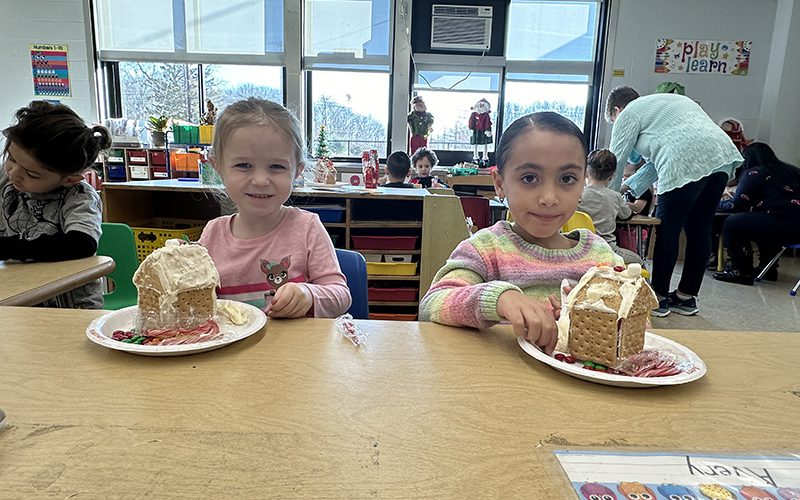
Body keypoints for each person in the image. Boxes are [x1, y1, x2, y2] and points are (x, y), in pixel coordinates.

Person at [419, 112, 623, 354]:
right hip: (498, 383)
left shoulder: (602, 258)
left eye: (567, 178)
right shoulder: (485, 249)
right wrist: (500, 298)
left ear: (583, 185)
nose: (549, 198)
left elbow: (637, 323)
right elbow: (433, 304)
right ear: (500, 184)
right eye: (529, 178)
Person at [198, 98, 351, 318]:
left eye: (276, 166)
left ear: (296, 171)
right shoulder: (211, 236)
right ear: (218, 168)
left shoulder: (307, 227)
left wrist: (308, 294)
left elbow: (341, 295)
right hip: (235, 351)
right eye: (243, 165)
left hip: (296, 350)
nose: (260, 180)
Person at [606, 86, 743, 317]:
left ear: (616, 110)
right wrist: (627, 189)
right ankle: (686, 297)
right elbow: (653, 165)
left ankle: (658, 297)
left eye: (612, 121)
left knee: (668, 231)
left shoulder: (628, 114)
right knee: (700, 231)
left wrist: (605, 198)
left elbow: (615, 161)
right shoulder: (665, 106)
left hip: (682, 159)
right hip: (721, 157)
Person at [0, 100, 111, 308]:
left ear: (69, 179)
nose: (14, 174)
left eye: (31, 173)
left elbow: (81, 244)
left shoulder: (79, 195)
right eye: (11, 159)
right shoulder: (5, 177)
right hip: (20, 297)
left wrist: (8, 248)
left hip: (72, 306)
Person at [713, 142, 800, 285]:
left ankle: (741, 270)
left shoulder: (755, 172)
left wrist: (714, 202)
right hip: (796, 229)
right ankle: (768, 269)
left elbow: (736, 205)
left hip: (779, 223)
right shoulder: (792, 171)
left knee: (734, 223)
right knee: (760, 221)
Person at [578, 149, 642, 265]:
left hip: (579, 248)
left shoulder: (577, 195)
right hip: (606, 250)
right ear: (612, 176)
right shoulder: (615, 197)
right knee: (637, 260)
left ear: (586, 172)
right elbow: (626, 215)